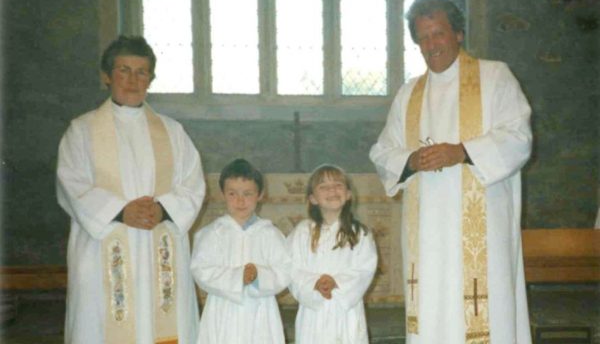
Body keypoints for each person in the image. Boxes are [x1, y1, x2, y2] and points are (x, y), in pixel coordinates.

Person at [369, 0, 533, 344]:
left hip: (484, 234)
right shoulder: (409, 94)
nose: (431, 44)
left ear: (458, 33)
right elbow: (383, 151)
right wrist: (410, 160)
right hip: (427, 234)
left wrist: (461, 152)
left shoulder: (494, 77)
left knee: (487, 315)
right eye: (423, 38)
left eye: (438, 33)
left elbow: (518, 137)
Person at [56, 36, 205, 344]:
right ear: (107, 75)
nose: (133, 79)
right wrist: (121, 211)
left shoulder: (172, 131)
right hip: (102, 251)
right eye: (124, 70)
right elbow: (71, 184)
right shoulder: (81, 131)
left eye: (142, 71)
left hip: (160, 245)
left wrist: (162, 209)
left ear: (151, 78)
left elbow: (192, 185)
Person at [190, 158, 291, 344]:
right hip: (222, 309)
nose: (240, 200)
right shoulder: (212, 233)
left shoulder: (270, 234)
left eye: (247, 193)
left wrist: (258, 276)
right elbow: (201, 269)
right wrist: (238, 276)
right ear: (223, 194)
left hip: (262, 311)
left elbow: (285, 270)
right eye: (232, 193)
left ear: (260, 195)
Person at [287, 164, 378, 344]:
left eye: (338, 185)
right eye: (323, 186)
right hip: (314, 313)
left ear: (349, 194)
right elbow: (291, 267)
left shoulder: (360, 233)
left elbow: (365, 269)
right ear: (312, 198)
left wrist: (337, 282)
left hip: (346, 312)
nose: (332, 190)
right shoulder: (302, 232)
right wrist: (315, 283)